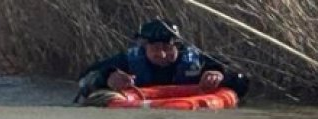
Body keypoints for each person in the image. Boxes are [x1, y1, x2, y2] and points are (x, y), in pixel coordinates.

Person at [75, 18, 250, 104]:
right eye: (156, 48)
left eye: (168, 47)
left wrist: (219, 74)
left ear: (178, 46)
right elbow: (83, 80)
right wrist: (105, 78)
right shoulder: (127, 61)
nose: (163, 54)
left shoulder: (197, 60)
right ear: (145, 47)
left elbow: (242, 78)